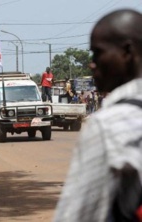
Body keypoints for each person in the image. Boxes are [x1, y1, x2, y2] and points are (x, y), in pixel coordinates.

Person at [54, 9, 142, 222]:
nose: (92, 63)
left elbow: (76, 216)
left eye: (98, 53)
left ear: (127, 52)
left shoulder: (108, 125)